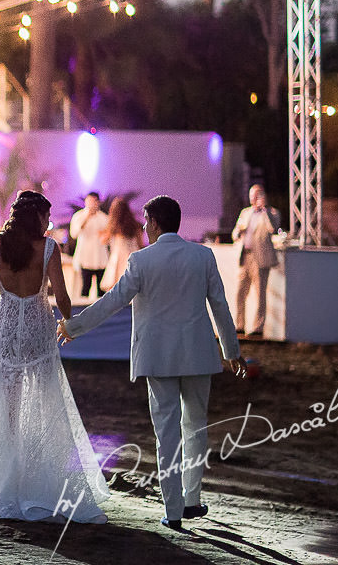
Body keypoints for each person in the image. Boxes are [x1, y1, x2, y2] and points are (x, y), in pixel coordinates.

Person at [59, 195, 246, 529]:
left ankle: (173, 511)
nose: (144, 226)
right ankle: (192, 499)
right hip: (198, 354)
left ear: (156, 223)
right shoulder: (202, 256)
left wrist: (76, 327)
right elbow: (219, 305)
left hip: (157, 357)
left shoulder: (141, 261)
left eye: (147, 221)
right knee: (196, 428)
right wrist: (232, 351)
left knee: (167, 433)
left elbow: (113, 301)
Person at [0, 190, 109, 523]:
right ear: (37, 218)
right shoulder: (48, 249)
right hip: (37, 330)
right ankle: (42, 476)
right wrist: (68, 323)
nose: (48, 223)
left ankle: (6, 473)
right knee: (47, 402)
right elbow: (62, 297)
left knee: (5, 405)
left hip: (3, 330)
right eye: (46, 217)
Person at [232, 184, 282, 337]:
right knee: (240, 293)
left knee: (260, 294)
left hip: (260, 258)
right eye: (251, 195)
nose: (253, 198)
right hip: (245, 256)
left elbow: (273, 228)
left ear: (263, 196)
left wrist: (264, 210)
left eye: (256, 195)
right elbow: (234, 233)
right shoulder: (245, 212)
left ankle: (258, 328)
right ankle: (239, 325)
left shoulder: (272, 213)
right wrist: (238, 232)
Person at [69, 192, 109, 301]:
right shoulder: (79, 216)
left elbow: (108, 237)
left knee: (102, 290)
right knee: (85, 288)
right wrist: (87, 217)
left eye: (94, 201)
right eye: (89, 201)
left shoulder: (104, 218)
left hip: (100, 258)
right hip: (85, 258)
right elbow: (74, 233)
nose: (92, 204)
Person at [99, 196, 144, 292]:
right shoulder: (136, 226)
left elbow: (103, 240)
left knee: (116, 289)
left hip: (118, 258)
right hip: (134, 257)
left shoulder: (113, 227)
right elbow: (141, 244)